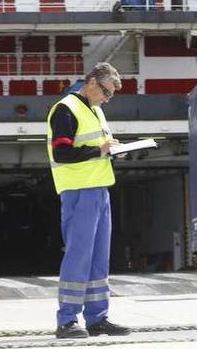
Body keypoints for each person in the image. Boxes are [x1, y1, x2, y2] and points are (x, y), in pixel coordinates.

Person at [46, 62, 132, 339]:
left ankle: (97, 318)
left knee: (98, 260)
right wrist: (100, 149)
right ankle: (67, 320)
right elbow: (62, 153)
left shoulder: (96, 110)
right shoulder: (65, 109)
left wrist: (113, 150)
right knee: (78, 257)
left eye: (111, 95)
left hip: (99, 190)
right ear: (92, 82)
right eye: (106, 92)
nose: (108, 98)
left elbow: (96, 150)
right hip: (79, 191)